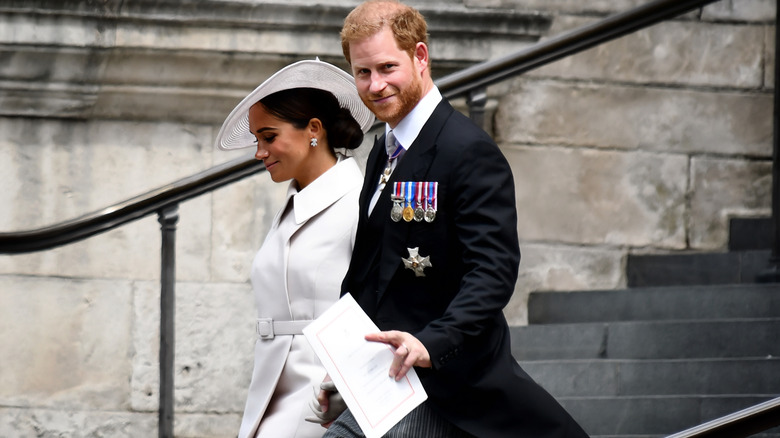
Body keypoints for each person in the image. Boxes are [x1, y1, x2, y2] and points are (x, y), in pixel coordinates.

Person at [317, 1, 590, 437]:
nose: (375, 85)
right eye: (363, 72)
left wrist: (430, 343)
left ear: (420, 57)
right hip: (386, 385)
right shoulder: (381, 150)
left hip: (450, 388)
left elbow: (493, 272)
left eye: (388, 67)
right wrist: (348, 372)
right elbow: (372, 274)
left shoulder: (468, 150)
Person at [214, 59, 375, 438]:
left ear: (313, 130)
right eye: (257, 140)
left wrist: (343, 388)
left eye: (269, 137)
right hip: (273, 386)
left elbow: (381, 308)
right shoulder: (292, 204)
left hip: (327, 391)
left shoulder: (359, 204)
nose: (259, 152)